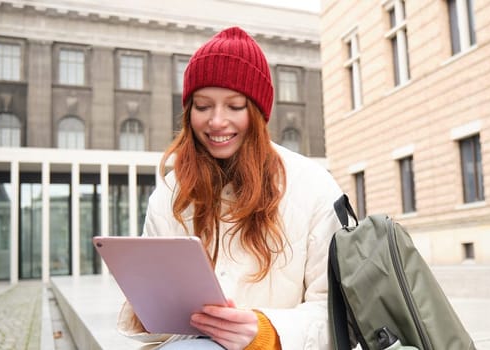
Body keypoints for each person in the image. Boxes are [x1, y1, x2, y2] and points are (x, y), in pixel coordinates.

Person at [116, 26, 342, 350]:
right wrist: (146, 307)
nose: (216, 121)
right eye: (203, 106)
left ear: (258, 112)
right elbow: (158, 334)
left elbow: (336, 315)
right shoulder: (169, 194)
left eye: (234, 106)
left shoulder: (314, 187)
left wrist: (264, 332)